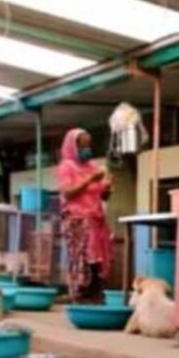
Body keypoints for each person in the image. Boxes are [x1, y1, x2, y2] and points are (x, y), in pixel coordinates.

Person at [57, 128, 113, 304]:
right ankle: (81, 295)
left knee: (98, 259)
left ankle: (96, 294)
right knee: (82, 258)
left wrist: (108, 188)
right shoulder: (66, 167)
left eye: (89, 146)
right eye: (82, 146)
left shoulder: (93, 167)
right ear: (73, 147)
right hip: (77, 220)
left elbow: (102, 196)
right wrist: (90, 179)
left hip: (96, 219)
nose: (86, 150)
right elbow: (68, 193)